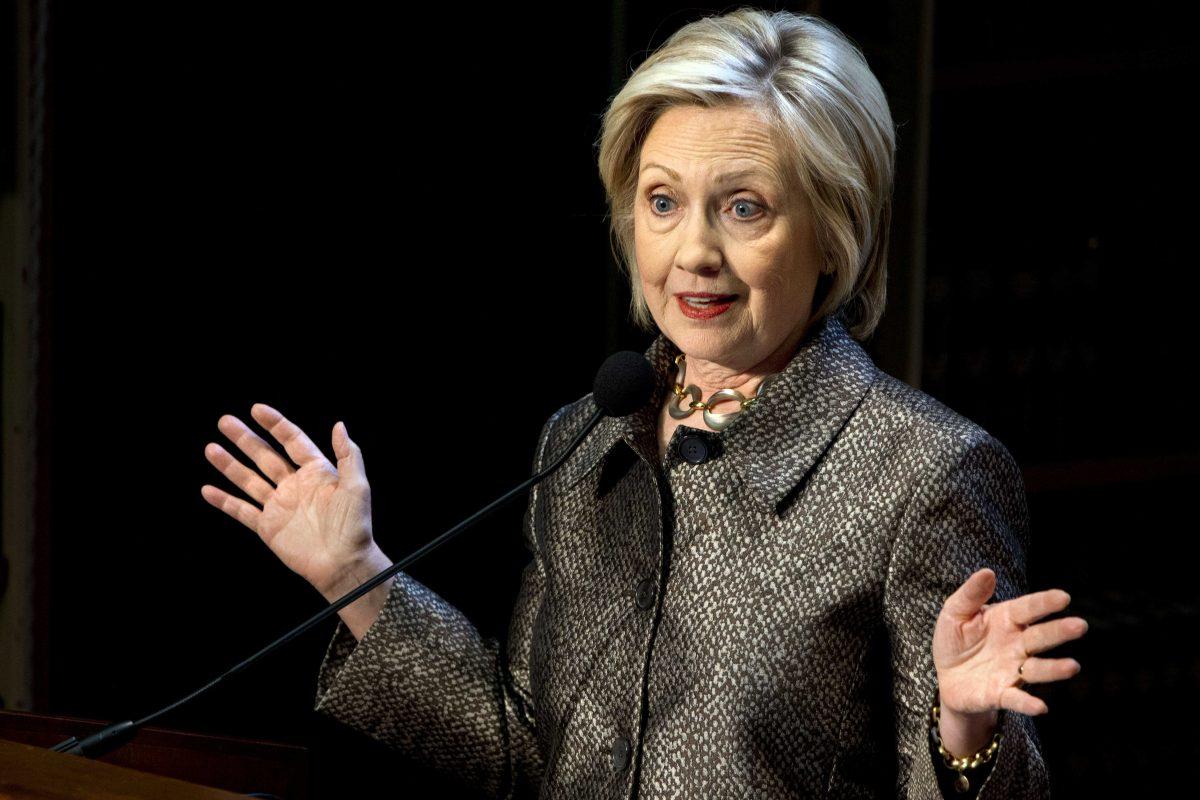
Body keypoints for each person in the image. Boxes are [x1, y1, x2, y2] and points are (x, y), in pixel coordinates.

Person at [199, 8, 1087, 799]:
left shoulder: (924, 471)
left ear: (834, 230)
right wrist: (353, 575)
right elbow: (523, 754)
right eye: (663, 202)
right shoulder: (586, 441)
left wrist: (964, 734)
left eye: (744, 208)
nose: (692, 250)